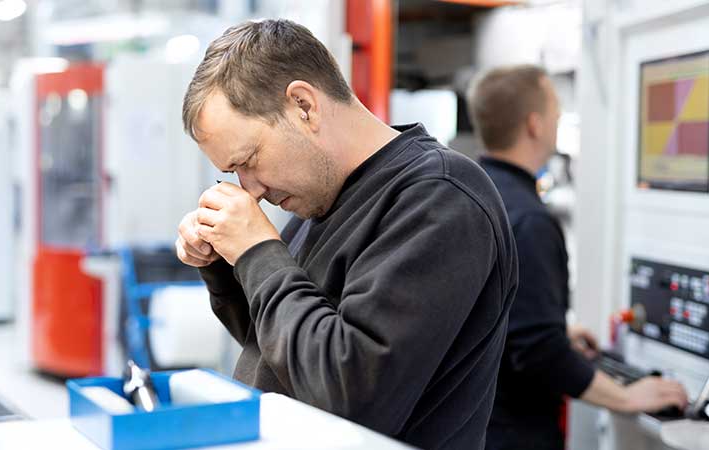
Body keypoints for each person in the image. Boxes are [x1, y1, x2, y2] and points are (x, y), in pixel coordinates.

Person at [174, 19, 519, 449]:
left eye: (250, 159)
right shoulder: (323, 198)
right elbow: (283, 350)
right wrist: (227, 262)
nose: (251, 189)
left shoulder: (440, 198)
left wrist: (259, 251)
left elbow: (351, 395)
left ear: (303, 105)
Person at [467, 65, 689, 450]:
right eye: (555, 109)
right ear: (534, 125)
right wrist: (627, 397)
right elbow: (539, 352)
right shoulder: (529, 220)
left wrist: (549, 324)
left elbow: (478, 306)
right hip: (514, 434)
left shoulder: (471, 194)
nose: (558, 120)